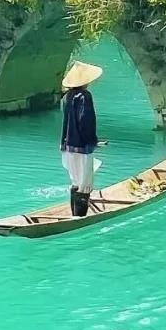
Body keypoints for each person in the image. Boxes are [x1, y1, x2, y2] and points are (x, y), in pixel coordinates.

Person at [60, 60, 103, 217]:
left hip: (68, 145)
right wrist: (93, 140)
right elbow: (86, 121)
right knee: (85, 183)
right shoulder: (85, 96)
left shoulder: (68, 96)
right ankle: (80, 217)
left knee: (76, 181)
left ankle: (74, 215)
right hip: (82, 146)